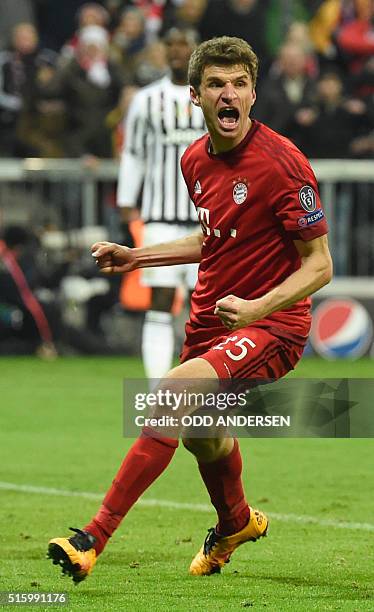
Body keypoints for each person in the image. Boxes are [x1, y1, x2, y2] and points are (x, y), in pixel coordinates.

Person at [47, 35, 332, 582]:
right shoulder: (194, 159)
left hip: (272, 323)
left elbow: (320, 265)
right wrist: (138, 257)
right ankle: (236, 522)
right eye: (217, 84)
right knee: (202, 434)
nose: (230, 94)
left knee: (171, 397)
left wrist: (257, 308)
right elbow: (215, 238)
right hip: (211, 319)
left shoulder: (284, 164)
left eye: (240, 84)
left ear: (253, 95)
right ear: (195, 96)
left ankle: (91, 538)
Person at [116, 26, 206, 381]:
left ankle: (206, 385)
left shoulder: (212, 98)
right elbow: (133, 153)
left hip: (206, 218)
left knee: (209, 304)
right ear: (163, 51)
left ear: (195, 49)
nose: (177, 51)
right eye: (171, 45)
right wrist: (127, 201)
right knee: (161, 299)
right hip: (160, 217)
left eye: (184, 44)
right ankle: (158, 387)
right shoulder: (146, 100)